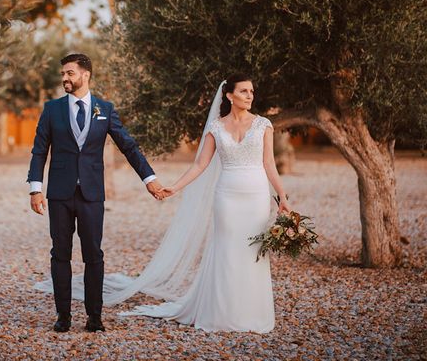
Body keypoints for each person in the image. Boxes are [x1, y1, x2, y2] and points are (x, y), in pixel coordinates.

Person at [118, 73, 291, 332]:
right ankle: (222, 314)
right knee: (227, 250)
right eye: (244, 91)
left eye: (252, 92)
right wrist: (175, 187)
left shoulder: (263, 125)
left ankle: (251, 314)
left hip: (256, 196)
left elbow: (269, 164)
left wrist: (283, 197)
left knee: (253, 251)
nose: (250, 96)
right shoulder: (216, 127)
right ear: (230, 96)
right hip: (227, 196)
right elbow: (201, 164)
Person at [27, 53, 163, 333]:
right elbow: (40, 149)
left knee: (94, 256)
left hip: (92, 194)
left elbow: (129, 146)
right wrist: (35, 188)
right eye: (63, 74)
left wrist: (149, 178)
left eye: (70, 73)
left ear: (85, 75)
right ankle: (63, 317)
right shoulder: (51, 109)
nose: (65, 78)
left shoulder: (105, 108)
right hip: (60, 195)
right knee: (60, 254)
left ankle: (94, 317)